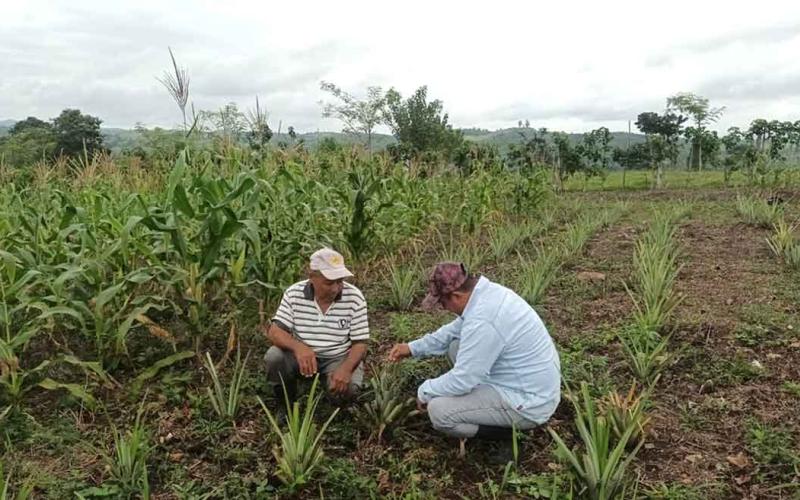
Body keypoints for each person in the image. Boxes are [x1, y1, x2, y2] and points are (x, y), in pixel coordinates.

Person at [388, 262, 560, 460]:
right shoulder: (486, 295)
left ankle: (509, 435)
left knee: (439, 411)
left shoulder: (483, 320)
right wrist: (412, 348)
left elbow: (463, 380)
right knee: (455, 345)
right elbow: (452, 331)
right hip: (525, 380)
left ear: (456, 296)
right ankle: (486, 405)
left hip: (528, 401)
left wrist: (425, 391)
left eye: (442, 303)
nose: (443, 308)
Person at [264, 248, 369, 402]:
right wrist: (299, 347)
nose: (336, 288)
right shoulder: (294, 293)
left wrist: (346, 369)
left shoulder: (354, 297)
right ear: (312, 277)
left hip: (338, 357)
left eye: (340, 281)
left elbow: (360, 343)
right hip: (302, 358)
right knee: (275, 357)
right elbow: (275, 331)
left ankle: (337, 404)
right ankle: (286, 402)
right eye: (329, 283)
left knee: (347, 390)